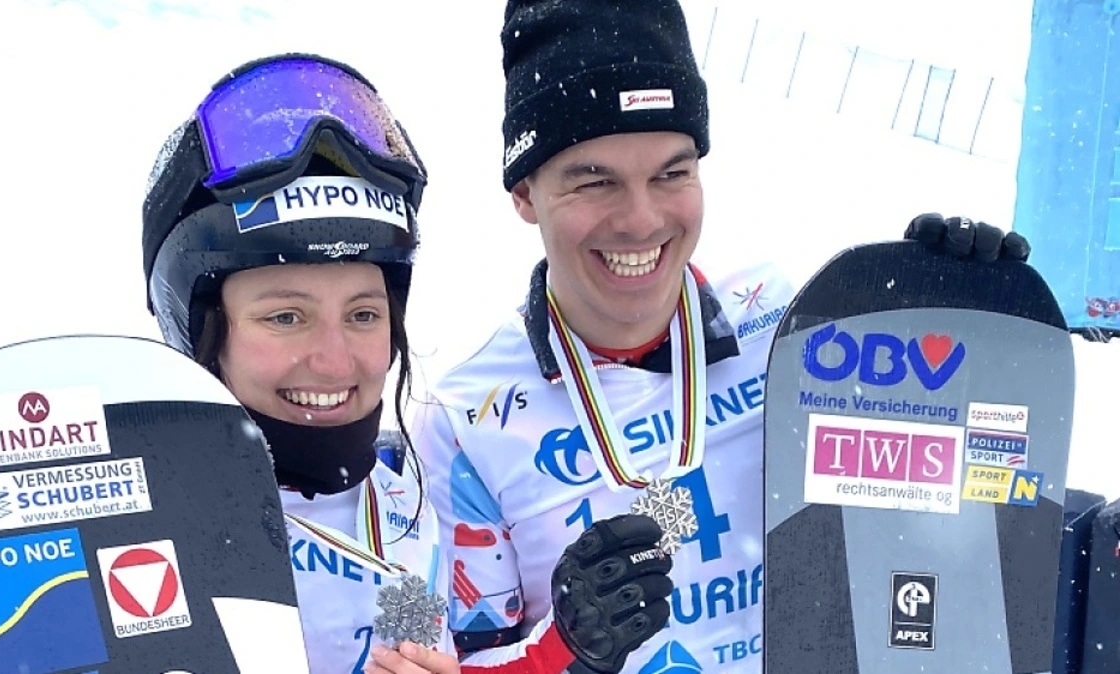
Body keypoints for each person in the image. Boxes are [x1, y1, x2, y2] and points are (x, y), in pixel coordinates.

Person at [408, 1, 1032, 672]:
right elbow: (447, 658)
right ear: (525, 195)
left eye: (671, 174)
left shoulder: (787, 325)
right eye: (595, 182)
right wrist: (567, 651)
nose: (641, 220)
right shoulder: (464, 420)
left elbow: (930, 522)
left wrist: (961, 342)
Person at [142, 52, 676, 674]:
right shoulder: (139, 521)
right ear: (205, 331)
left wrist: (568, 648)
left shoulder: (405, 501)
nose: (334, 361)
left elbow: (453, 658)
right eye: (286, 317)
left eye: (363, 314)